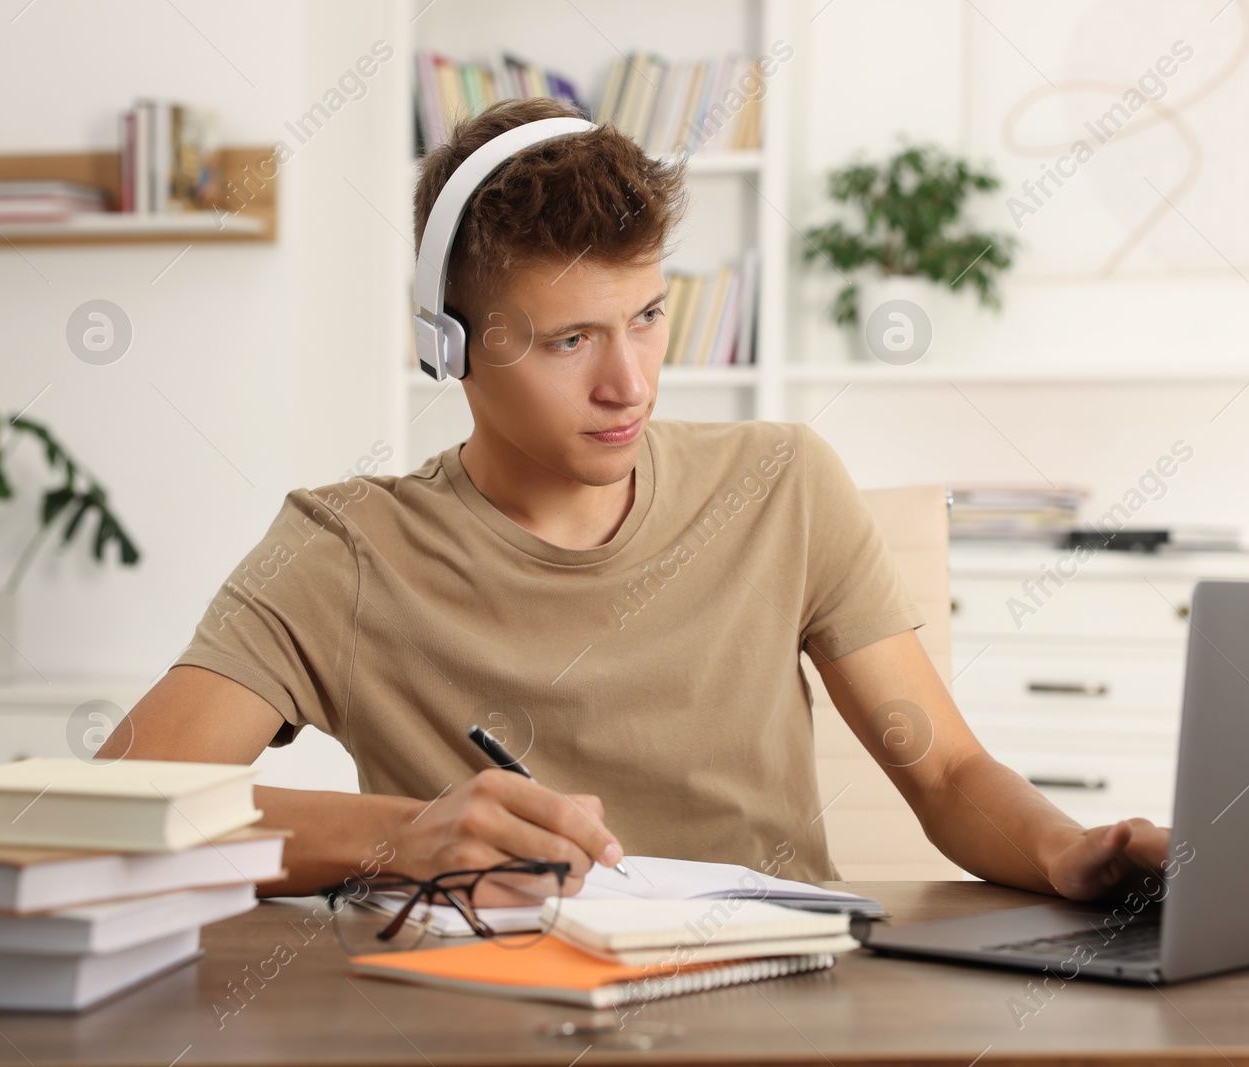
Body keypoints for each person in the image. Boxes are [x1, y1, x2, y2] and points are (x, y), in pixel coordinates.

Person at [100, 97, 1167, 904]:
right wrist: (401, 834)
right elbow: (109, 805)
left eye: (649, 315)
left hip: (777, 1015)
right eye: (571, 340)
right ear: (447, 346)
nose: (632, 382)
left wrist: (1063, 849)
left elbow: (946, 770)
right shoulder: (344, 548)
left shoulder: (784, 482)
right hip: (486, 1018)